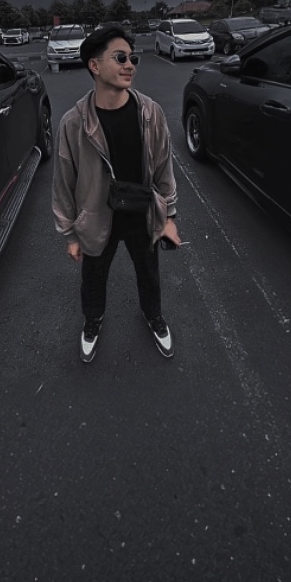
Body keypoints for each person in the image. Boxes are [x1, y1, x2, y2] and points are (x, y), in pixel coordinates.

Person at [52, 22, 181, 363]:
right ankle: (92, 320)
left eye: (133, 58)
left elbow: (164, 168)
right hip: (97, 217)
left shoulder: (150, 112)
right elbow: (63, 183)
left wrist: (168, 215)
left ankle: (153, 315)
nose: (130, 65)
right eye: (120, 57)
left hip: (141, 213)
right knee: (93, 276)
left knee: (149, 273)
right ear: (94, 66)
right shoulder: (73, 123)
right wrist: (70, 234)